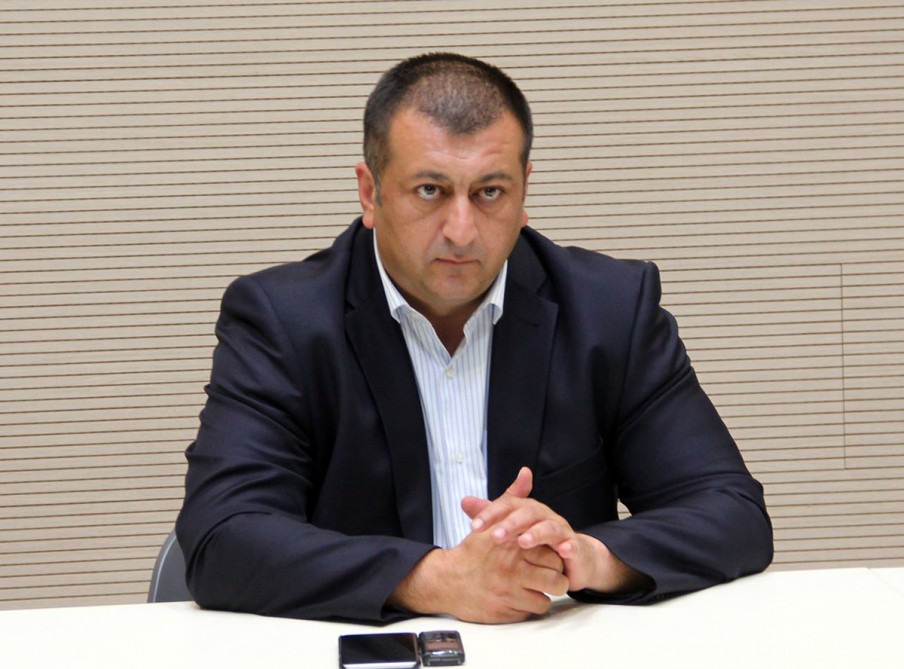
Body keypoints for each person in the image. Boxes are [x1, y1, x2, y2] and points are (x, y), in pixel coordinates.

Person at [176, 52, 772, 624]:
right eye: (430, 190)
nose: (461, 232)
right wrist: (437, 579)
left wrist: (585, 557)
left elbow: (730, 511)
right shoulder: (283, 321)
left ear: (523, 191)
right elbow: (223, 537)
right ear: (370, 192)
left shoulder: (609, 310)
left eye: (489, 192)